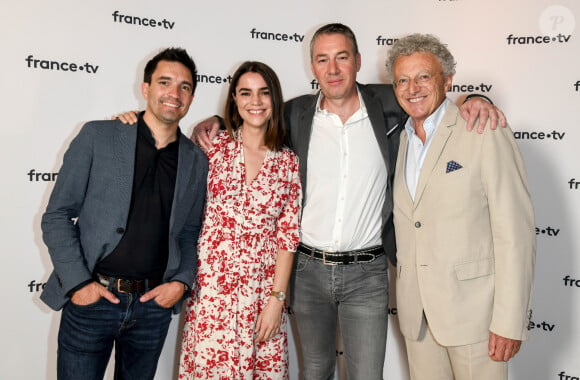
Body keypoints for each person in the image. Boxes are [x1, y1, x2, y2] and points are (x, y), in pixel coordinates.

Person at [192, 23, 507, 379]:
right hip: (308, 271)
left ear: (357, 61)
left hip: (367, 273)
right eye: (322, 60)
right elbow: (253, 117)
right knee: (315, 370)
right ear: (312, 67)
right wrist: (215, 119)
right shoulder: (294, 114)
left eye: (342, 57)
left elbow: (430, 96)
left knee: (367, 373)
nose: (333, 69)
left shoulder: (391, 102)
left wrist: (477, 100)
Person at [40, 48, 208, 380]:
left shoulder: (196, 160)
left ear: (191, 97)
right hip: (92, 300)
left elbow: (189, 233)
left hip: (152, 308)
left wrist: (180, 282)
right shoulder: (97, 136)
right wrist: (79, 285)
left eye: (185, 87)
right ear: (146, 89)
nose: (174, 94)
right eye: (165, 82)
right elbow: (57, 215)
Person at [386, 33, 535, 380]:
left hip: (475, 317)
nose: (413, 88)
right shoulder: (401, 137)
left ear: (447, 80)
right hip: (418, 318)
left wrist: (510, 320)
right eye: (403, 80)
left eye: (424, 77)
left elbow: (515, 233)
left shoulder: (483, 129)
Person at [171, 61, 300, 379]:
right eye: (246, 93)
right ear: (234, 100)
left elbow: (288, 235)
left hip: (262, 294)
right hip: (214, 294)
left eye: (263, 93)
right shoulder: (212, 147)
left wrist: (276, 302)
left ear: (275, 99)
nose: (255, 102)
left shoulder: (287, 161)